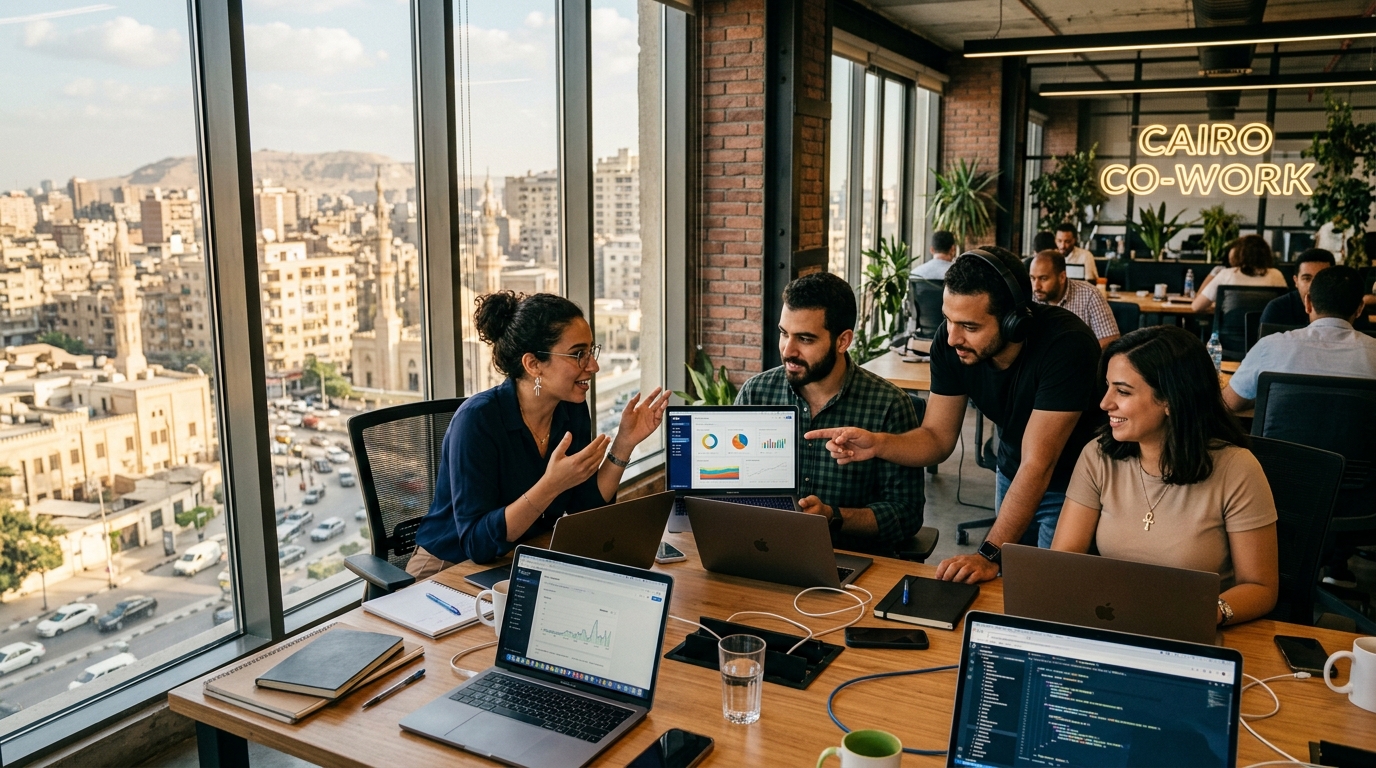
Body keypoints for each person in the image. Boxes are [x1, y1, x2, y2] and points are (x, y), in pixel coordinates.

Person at [806, 247, 1105, 584]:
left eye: (969, 326)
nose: (952, 337)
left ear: (1013, 321)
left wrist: (988, 553)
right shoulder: (951, 343)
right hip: (1013, 469)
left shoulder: (1067, 346)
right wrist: (878, 445)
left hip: (1073, 481)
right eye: (948, 319)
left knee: (1049, 587)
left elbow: (1039, 464)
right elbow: (937, 437)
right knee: (1009, 582)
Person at [408, 291, 670, 576]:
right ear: (533, 364)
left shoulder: (571, 409)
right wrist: (551, 485)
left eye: (591, 352)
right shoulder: (477, 421)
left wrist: (624, 443)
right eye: (577, 355)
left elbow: (586, 506)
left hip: (520, 559)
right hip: (447, 567)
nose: (592, 366)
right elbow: (477, 544)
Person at [1052, 326, 1279, 626]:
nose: (1105, 403)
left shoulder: (1237, 469)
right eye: (1107, 386)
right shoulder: (1098, 456)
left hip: (1194, 630)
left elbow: (1261, 588)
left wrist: (1207, 613)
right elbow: (1063, 560)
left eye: (1122, 391)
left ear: (1171, 399)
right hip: (1113, 620)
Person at [735, 272, 924, 554]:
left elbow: (906, 514)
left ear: (842, 341)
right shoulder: (756, 393)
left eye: (805, 339)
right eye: (784, 333)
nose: (788, 350)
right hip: (764, 549)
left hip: (848, 558)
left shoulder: (889, 405)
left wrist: (833, 516)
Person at [1223, 266, 1376, 413]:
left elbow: (1228, 403)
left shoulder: (1269, 347)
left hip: (1278, 440)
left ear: (1308, 303)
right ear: (1360, 309)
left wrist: (1266, 396)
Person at [1029, 249, 1120, 349]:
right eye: (1033, 278)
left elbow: (1110, 340)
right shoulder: (1031, 298)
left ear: (1062, 277)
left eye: (1043, 278)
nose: (1036, 286)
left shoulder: (1089, 294)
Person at [1191, 234, 1287, 313]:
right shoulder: (1276, 275)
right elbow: (1284, 309)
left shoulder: (1226, 274)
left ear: (1239, 254)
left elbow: (1196, 307)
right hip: (1265, 334)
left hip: (1230, 334)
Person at [1258, 248, 1335, 327]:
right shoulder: (1278, 309)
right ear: (1296, 281)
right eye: (1307, 278)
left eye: (1320, 278)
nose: (1313, 285)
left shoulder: (1343, 309)